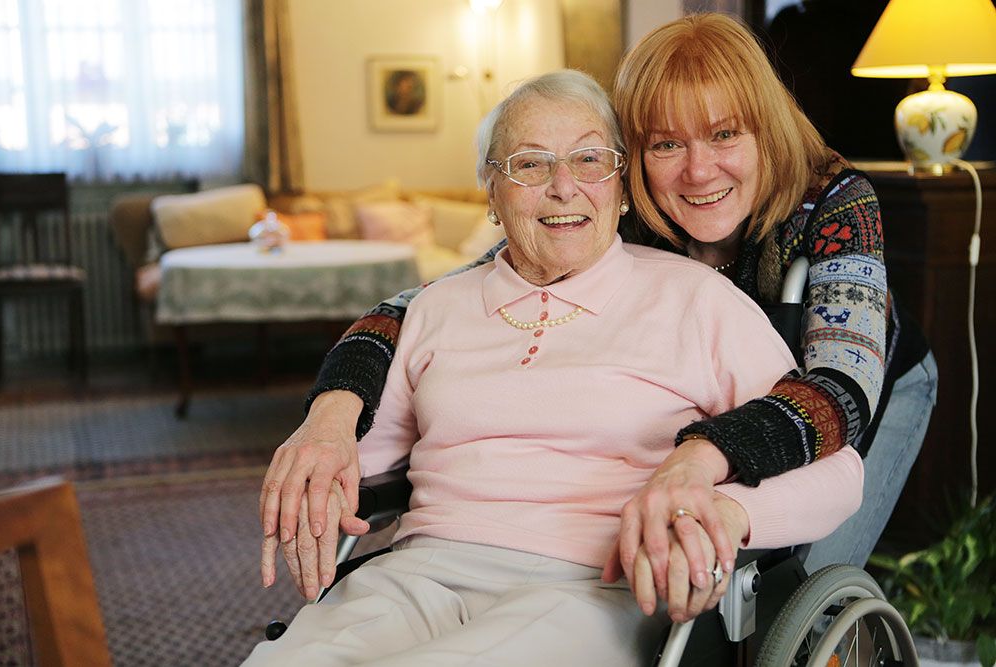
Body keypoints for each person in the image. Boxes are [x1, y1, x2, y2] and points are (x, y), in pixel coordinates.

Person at [258, 13, 935, 589]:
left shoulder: (837, 203)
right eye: (667, 143)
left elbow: (841, 391)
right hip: (745, 402)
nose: (698, 171)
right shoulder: (618, 205)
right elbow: (424, 303)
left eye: (725, 134)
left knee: (795, 585)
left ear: (763, 130)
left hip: (870, 388)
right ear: (633, 156)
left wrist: (700, 458)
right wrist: (330, 415)